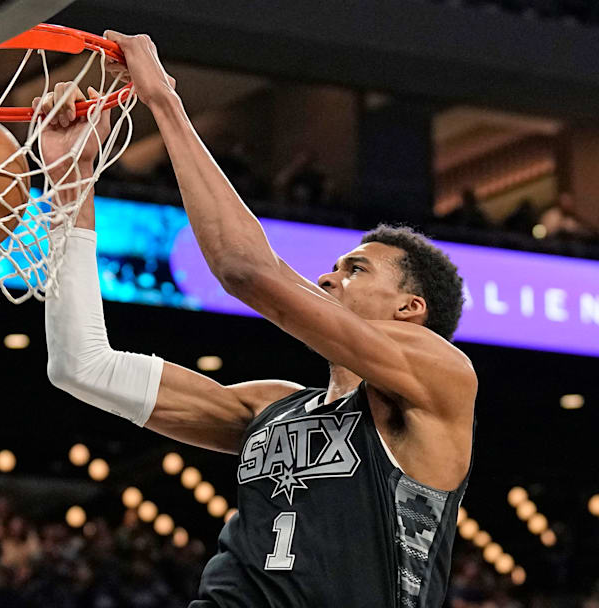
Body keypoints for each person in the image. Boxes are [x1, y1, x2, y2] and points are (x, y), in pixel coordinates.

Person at [36, 31, 476, 608]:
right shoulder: (268, 407)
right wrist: (71, 184)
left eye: (356, 270)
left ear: (410, 308)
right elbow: (82, 366)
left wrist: (164, 101)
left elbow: (245, 268)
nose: (326, 278)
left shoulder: (441, 378)